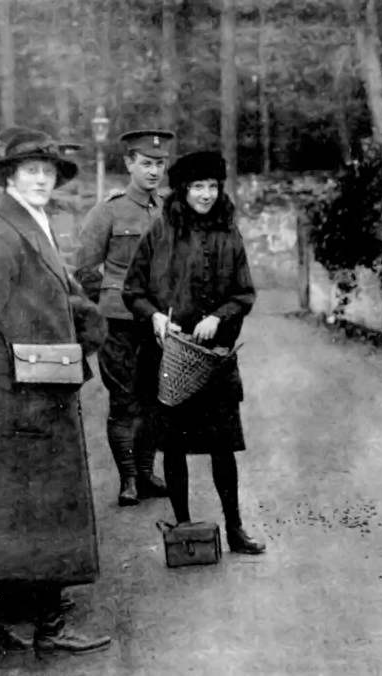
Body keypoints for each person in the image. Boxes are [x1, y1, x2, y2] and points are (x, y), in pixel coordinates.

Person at [0, 127, 111, 657]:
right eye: (30, 171)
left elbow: (58, 288)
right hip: (14, 392)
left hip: (38, 385)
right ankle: (33, 627)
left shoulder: (28, 222)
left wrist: (87, 318)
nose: (41, 179)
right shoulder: (1, 234)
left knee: (16, 508)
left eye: (47, 171)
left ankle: (7, 627)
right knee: (29, 508)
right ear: (8, 176)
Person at [123, 150, 266, 555]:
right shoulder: (161, 231)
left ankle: (235, 530)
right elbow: (132, 290)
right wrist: (153, 317)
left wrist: (219, 318)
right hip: (170, 359)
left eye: (212, 186)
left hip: (214, 360)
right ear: (183, 189)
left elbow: (244, 294)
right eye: (197, 186)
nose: (205, 194)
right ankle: (184, 532)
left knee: (223, 448)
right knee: (174, 447)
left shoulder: (228, 233)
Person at [74, 129, 175, 506]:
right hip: (118, 322)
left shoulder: (170, 209)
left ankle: (147, 473)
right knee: (124, 400)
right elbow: (84, 268)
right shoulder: (109, 211)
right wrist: (108, 303)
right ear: (129, 163)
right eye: (146, 164)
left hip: (161, 322)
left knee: (156, 399)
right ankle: (129, 480)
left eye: (160, 164)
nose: (153, 171)